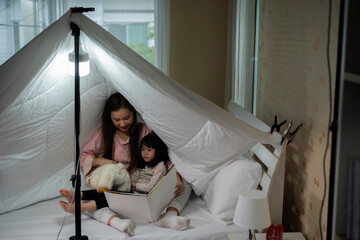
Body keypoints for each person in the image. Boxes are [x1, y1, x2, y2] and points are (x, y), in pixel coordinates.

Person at [58, 92, 191, 236]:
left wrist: (176, 180)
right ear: (110, 118)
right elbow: (84, 156)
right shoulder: (103, 134)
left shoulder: (144, 131)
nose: (122, 124)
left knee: (186, 184)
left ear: (133, 113)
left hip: (142, 183)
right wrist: (101, 161)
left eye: (126, 118)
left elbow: (162, 158)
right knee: (96, 193)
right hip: (119, 186)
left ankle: (170, 216)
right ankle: (117, 222)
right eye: (117, 120)